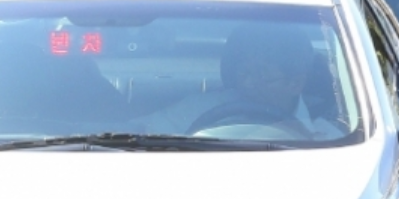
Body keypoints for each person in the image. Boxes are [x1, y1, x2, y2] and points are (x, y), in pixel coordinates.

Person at [144, 21, 346, 140]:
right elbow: (138, 132)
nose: (247, 84)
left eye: (261, 76)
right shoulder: (198, 108)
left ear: (295, 84)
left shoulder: (332, 134)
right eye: (243, 73)